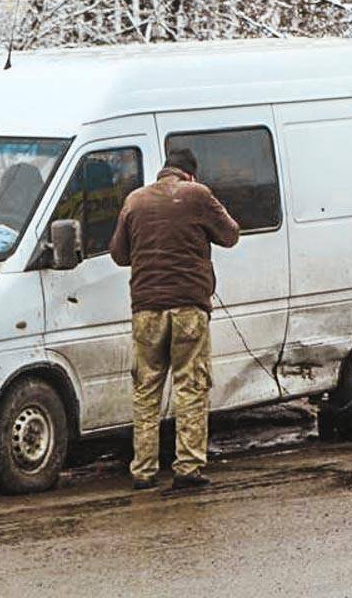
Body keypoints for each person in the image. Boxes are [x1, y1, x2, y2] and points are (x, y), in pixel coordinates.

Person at [109, 148, 240, 490]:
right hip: (188, 308)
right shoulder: (198, 195)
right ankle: (188, 468)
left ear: (163, 170)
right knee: (190, 386)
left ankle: (143, 470)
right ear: (190, 174)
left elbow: (119, 254)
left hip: (146, 308)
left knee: (146, 389)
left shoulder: (134, 201)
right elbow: (230, 235)